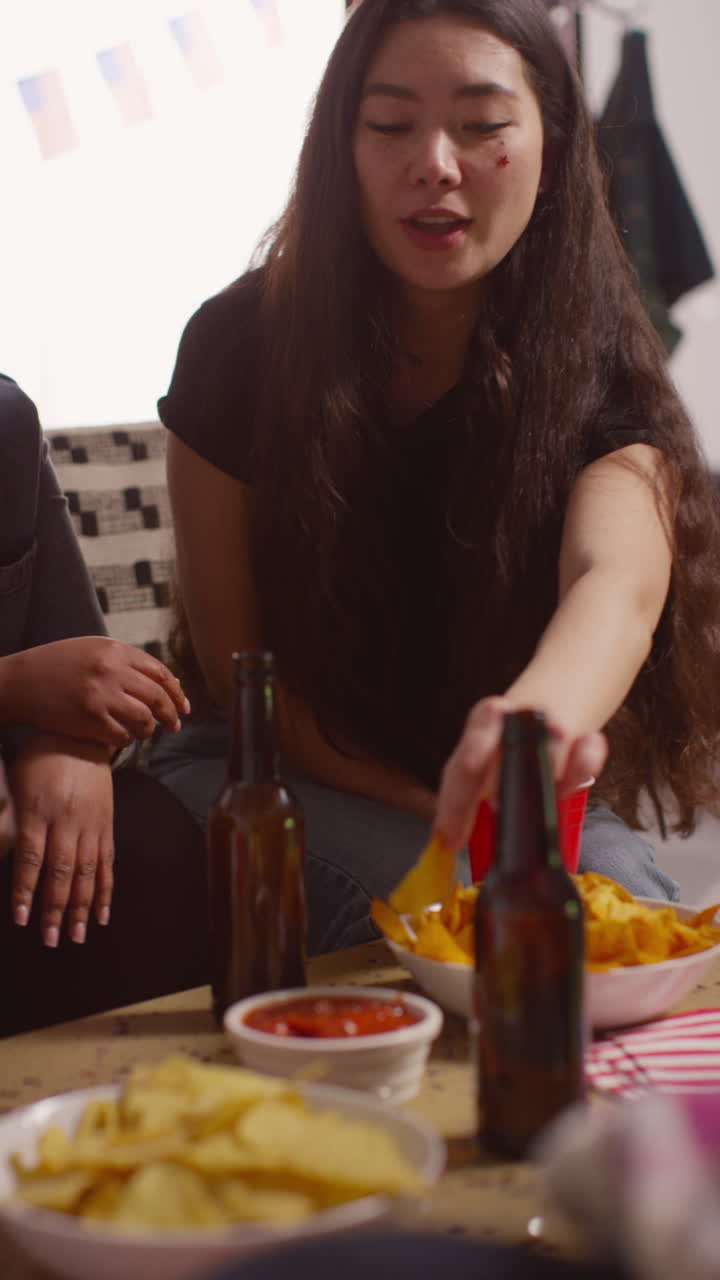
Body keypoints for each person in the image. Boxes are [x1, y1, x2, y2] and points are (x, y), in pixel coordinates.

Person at [148, 0, 720, 953]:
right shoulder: (240, 343)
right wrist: (446, 816)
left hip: (505, 783)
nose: (435, 164)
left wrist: (525, 739)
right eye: (390, 125)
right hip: (273, 768)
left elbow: (614, 585)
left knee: (633, 930)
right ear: (344, 147)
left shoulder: (602, 360)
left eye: (483, 123)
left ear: (552, 142)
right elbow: (248, 677)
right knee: (483, 928)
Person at [0, 373, 208, 1036]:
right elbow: (49, 679)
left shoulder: (6, 419)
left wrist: (74, 745)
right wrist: (20, 688)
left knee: (146, 844)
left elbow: (87, 665)